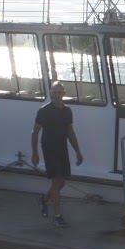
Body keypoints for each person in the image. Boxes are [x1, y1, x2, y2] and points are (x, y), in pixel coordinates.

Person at [30, 81, 83, 227]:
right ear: (51, 93)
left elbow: (70, 132)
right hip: (49, 148)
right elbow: (35, 132)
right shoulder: (44, 111)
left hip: (62, 148)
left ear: (63, 93)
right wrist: (35, 153)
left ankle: (44, 200)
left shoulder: (67, 111)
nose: (57, 95)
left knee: (62, 182)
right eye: (54, 92)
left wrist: (78, 152)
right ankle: (57, 217)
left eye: (59, 92)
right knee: (56, 182)